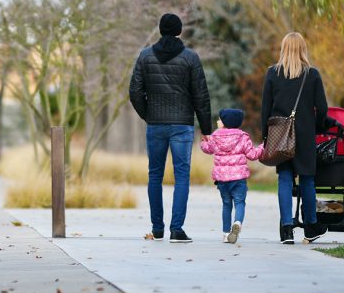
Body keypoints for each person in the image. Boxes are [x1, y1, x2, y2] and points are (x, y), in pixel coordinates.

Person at [129, 13, 212, 243]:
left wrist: (149, 115)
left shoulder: (145, 56)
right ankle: (177, 230)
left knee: (154, 175)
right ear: (179, 31)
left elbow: (135, 91)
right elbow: (201, 96)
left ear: (160, 30)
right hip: (182, 125)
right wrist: (206, 128)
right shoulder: (191, 58)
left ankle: (157, 229)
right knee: (182, 176)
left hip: (156, 125)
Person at [261, 32, 330, 244]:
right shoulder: (313, 75)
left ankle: (287, 228)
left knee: (284, 179)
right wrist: (316, 128)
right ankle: (310, 226)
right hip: (305, 135)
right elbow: (323, 109)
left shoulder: (272, 73)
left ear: (283, 48)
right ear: (302, 49)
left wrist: (266, 136)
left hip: (280, 135)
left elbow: (266, 109)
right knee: (307, 180)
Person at [199, 109, 264, 244]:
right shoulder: (243, 136)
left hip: (222, 179)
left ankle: (225, 233)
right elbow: (252, 155)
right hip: (239, 178)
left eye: (220, 119)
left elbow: (208, 149)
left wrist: (203, 142)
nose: (218, 121)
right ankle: (238, 222)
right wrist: (263, 147)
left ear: (225, 122)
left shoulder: (215, 136)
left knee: (226, 204)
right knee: (239, 202)